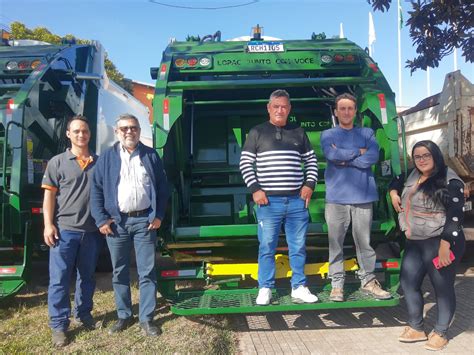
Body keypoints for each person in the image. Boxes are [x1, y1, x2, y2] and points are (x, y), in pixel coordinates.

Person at [91, 114, 169, 336]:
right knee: (120, 272)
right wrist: (101, 219)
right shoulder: (106, 158)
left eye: (133, 128)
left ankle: (146, 318)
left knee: (147, 271)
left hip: (145, 221)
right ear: (117, 132)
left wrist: (158, 215)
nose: (129, 132)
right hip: (117, 223)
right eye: (124, 128)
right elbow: (95, 190)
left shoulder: (151, 155)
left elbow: (163, 189)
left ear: (138, 130)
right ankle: (124, 315)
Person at [239, 89, 319, 305]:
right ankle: (265, 288)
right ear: (269, 108)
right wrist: (255, 188)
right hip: (268, 203)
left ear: (289, 109)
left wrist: (309, 185)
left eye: (284, 106)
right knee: (266, 246)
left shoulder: (299, 132)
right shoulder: (256, 132)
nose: (280, 110)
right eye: (276, 106)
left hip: (296, 202)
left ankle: (299, 287)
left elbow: (311, 162)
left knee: (298, 246)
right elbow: (245, 164)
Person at [389, 140, 465, 351]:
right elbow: (395, 182)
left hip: (441, 241)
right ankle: (416, 328)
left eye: (426, 155)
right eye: (417, 156)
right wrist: (394, 193)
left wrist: (445, 244)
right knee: (408, 283)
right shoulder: (412, 174)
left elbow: (456, 215)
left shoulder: (450, 180)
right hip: (416, 242)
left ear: (436, 155)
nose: (421, 160)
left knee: (441, 287)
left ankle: (441, 332)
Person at [321, 93, 391, 302]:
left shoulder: (367, 133)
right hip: (336, 199)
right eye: (342, 108)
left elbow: (372, 157)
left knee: (364, 243)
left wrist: (346, 156)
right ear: (336, 111)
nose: (346, 112)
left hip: (362, 197)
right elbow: (332, 156)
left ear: (355, 112)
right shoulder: (328, 134)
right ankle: (337, 286)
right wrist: (358, 153)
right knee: (336, 244)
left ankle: (369, 281)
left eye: (350, 108)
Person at [42, 115, 102, 347]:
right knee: (59, 279)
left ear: (89, 134)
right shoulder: (57, 162)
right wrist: (48, 224)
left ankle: (83, 314)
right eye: (76, 131)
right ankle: (58, 325)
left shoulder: (99, 161)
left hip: (92, 232)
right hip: (64, 231)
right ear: (68, 134)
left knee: (86, 277)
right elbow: (49, 196)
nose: (81, 135)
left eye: (84, 131)